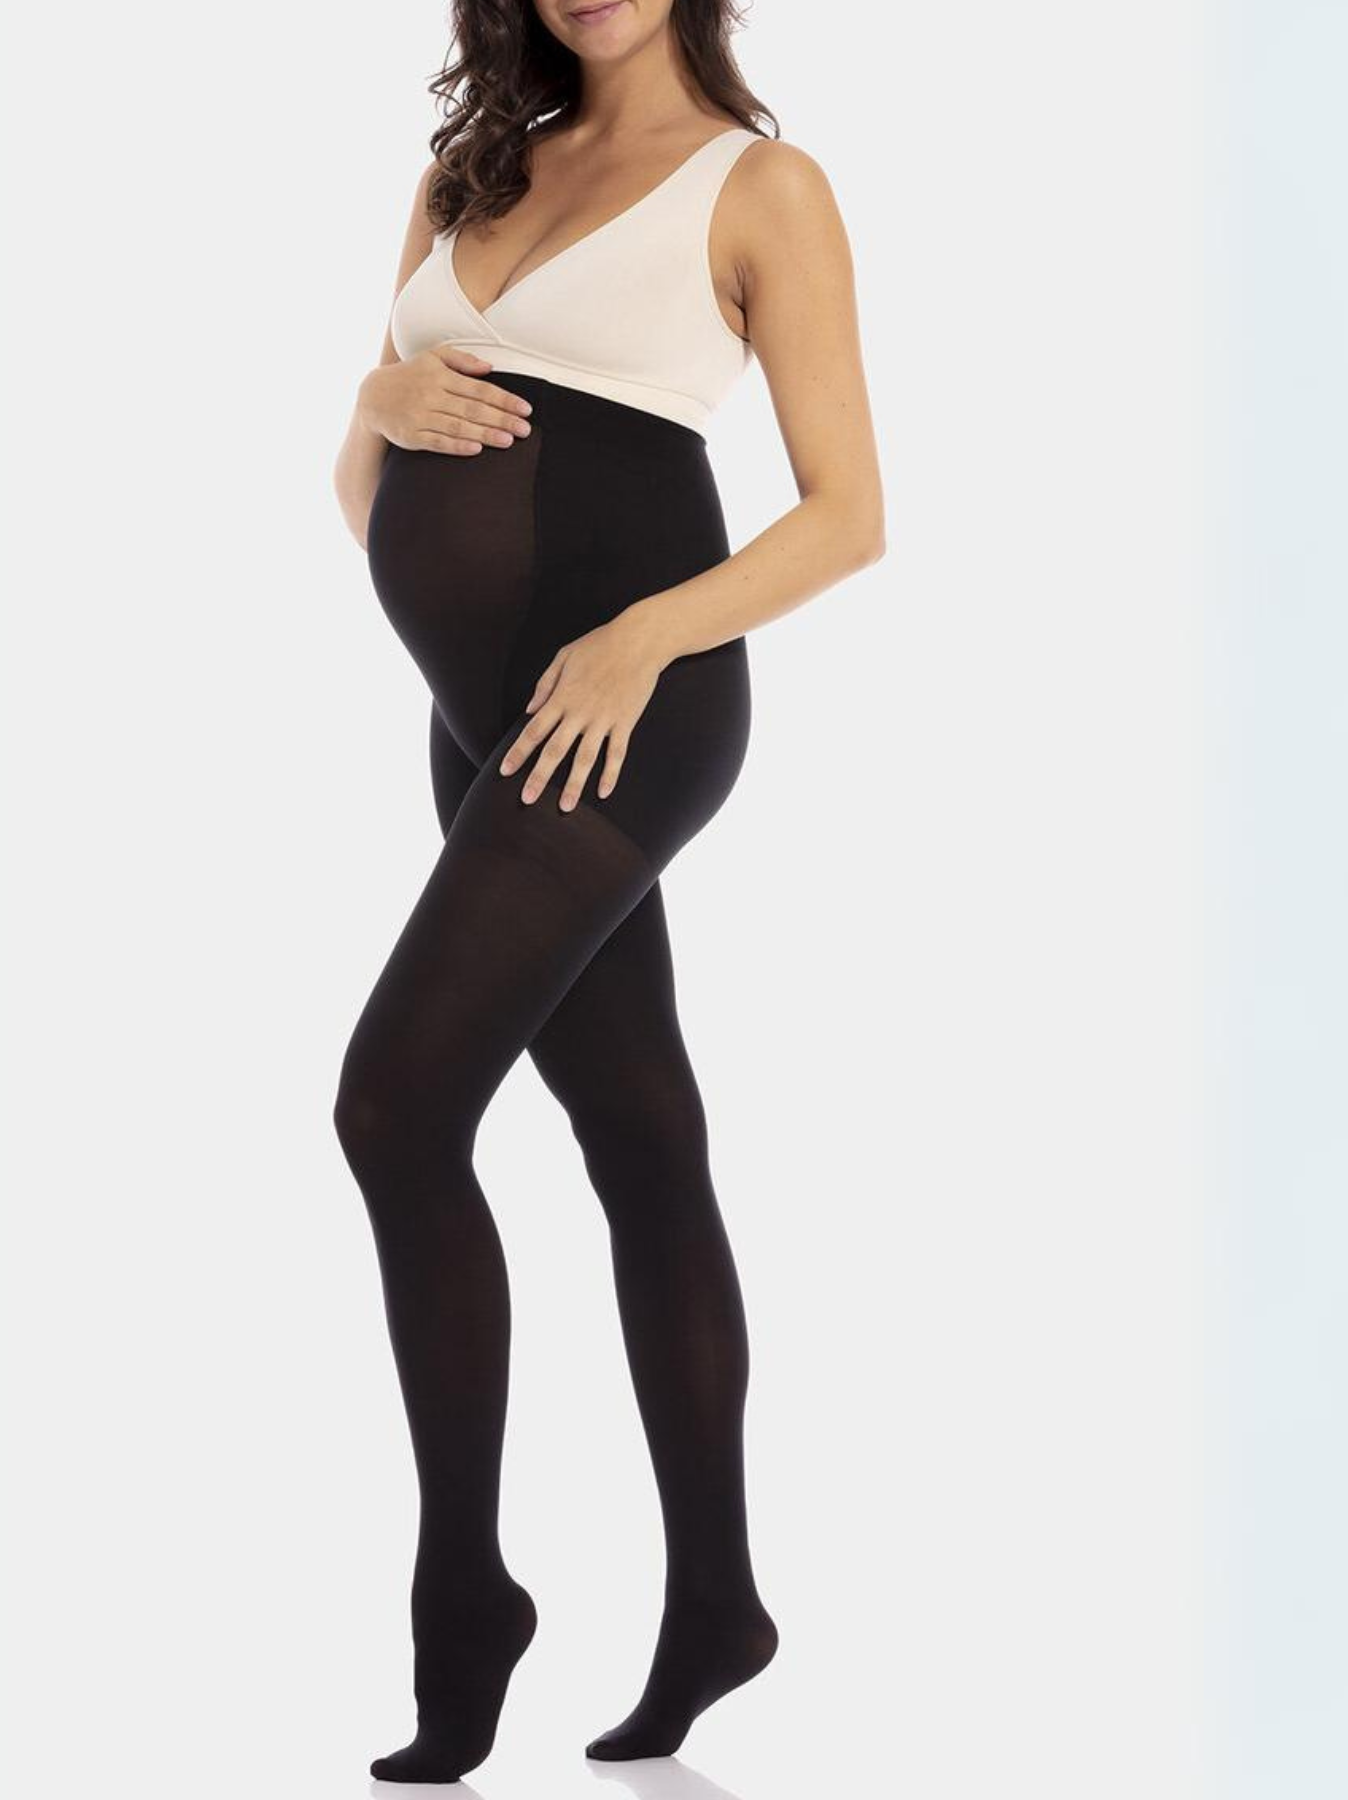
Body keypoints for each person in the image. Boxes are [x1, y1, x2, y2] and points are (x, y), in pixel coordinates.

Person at [330, 0, 885, 1783]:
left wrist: (645, 640)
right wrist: (375, 397)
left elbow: (847, 514)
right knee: (642, 1135)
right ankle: (719, 1599)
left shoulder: (761, 187)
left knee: (395, 1105)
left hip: (630, 714)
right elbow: (362, 486)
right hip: (479, 723)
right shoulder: (465, 172)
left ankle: (463, 1594)